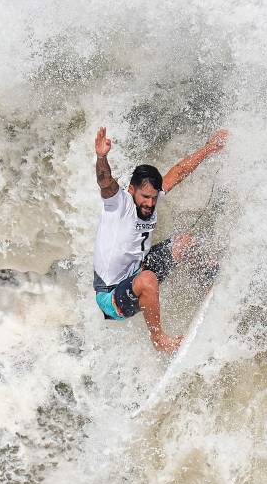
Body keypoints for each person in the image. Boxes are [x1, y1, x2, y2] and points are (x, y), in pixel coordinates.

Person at [92, 126, 228, 353]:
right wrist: (101, 157)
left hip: (137, 271)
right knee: (147, 279)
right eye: (144, 197)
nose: (149, 204)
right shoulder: (118, 204)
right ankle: (159, 339)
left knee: (184, 243)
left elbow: (179, 171)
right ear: (131, 190)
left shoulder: (152, 198)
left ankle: (210, 285)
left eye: (154, 198)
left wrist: (210, 148)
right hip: (111, 296)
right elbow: (105, 183)